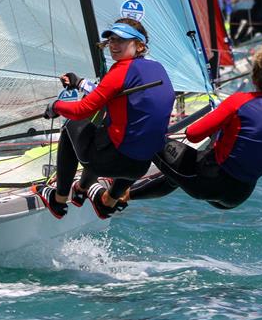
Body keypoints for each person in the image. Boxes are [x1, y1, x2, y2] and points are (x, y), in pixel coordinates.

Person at [127, 45, 262, 209]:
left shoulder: (240, 101)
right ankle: (124, 197)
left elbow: (193, 134)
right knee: (177, 176)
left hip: (208, 180)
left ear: (254, 77)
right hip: (238, 196)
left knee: (148, 134)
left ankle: (110, 194)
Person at [34, 18, 175, 219]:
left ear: (140, 45)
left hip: (108, 163)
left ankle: (59, 199)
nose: (114, 45)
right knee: (112, 132)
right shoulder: (158, 69)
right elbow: (106, 93)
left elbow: (82, 110)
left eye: (121, 40)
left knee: (72, 126)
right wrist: (80, 83)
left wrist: (55, 106)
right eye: (112, 40)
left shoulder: (121, 70)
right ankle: (100, 199)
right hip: (139, 168)